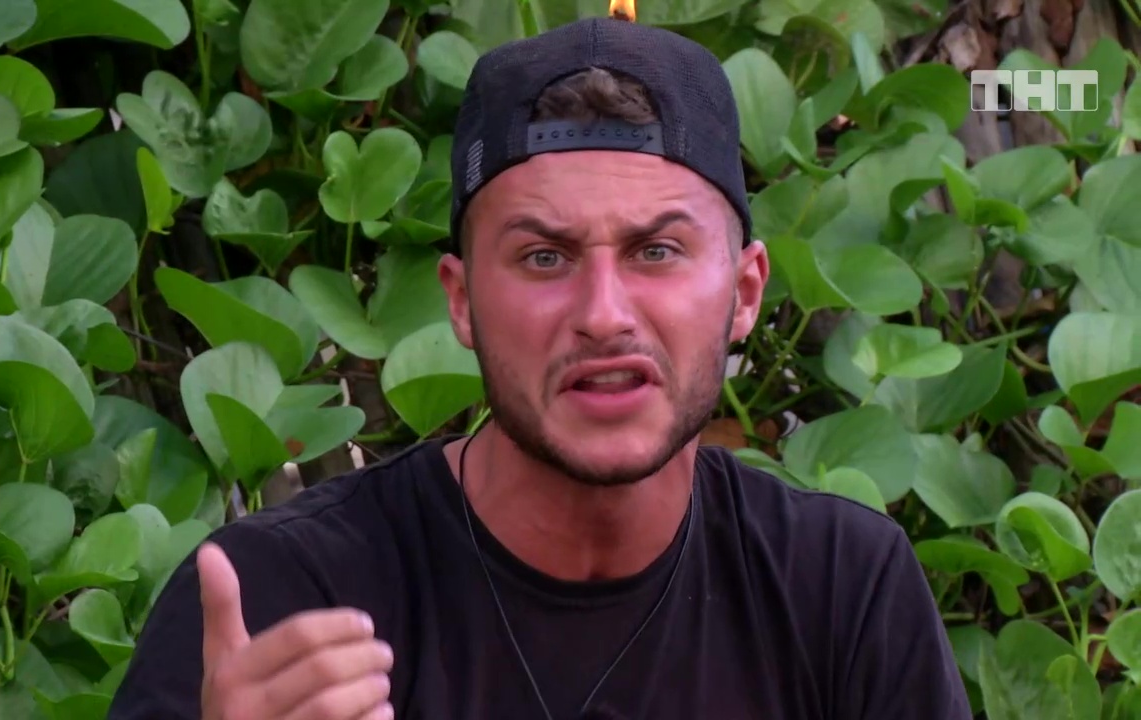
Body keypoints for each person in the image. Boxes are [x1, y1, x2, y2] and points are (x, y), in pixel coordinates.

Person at [107, 16, 972, 720]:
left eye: (657, 250)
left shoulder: (838, 591)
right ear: (461, 301)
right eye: (544, 257)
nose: (603, 313)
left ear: (744, 293)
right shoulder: (282, 609)